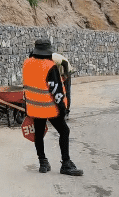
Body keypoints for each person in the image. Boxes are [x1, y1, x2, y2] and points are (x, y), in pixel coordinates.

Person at [23, 38, 83, 176]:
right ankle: (66, 164)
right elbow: (56, 90)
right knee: (64, 131)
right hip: (49, 108)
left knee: (39, 134)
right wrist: (63, 108)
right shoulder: (50, 66)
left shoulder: (26, 63)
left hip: (33, 107)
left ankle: (43, 163)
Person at [52, 52, 73, 118]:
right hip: (58, 72)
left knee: (66, 92)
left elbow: (65, 63)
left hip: (66, 71)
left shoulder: (54, 59)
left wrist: (66, 75)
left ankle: (67, 111)